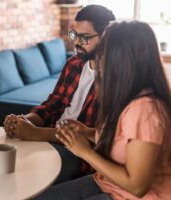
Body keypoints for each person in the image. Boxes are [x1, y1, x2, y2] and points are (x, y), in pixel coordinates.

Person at [35, 20, 171, 200]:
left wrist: (84, 151)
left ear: (122, 59)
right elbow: (123, 140)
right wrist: (88, 132)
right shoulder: (129, 94)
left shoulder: (145, 110)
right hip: (107, 184)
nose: (100, 58)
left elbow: (138, 186)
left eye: (104, 51)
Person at [4, 5, 115, 183]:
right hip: (49, 136)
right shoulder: (74, 64)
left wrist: (36, 134)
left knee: (23, 173)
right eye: (75, 35)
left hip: (78, 154)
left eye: (84, 37)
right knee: (4, 157)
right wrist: (25, 120)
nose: (77, 42)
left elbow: (96, 136)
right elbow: (53, 104)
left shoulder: (115, 79)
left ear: (106, 37)